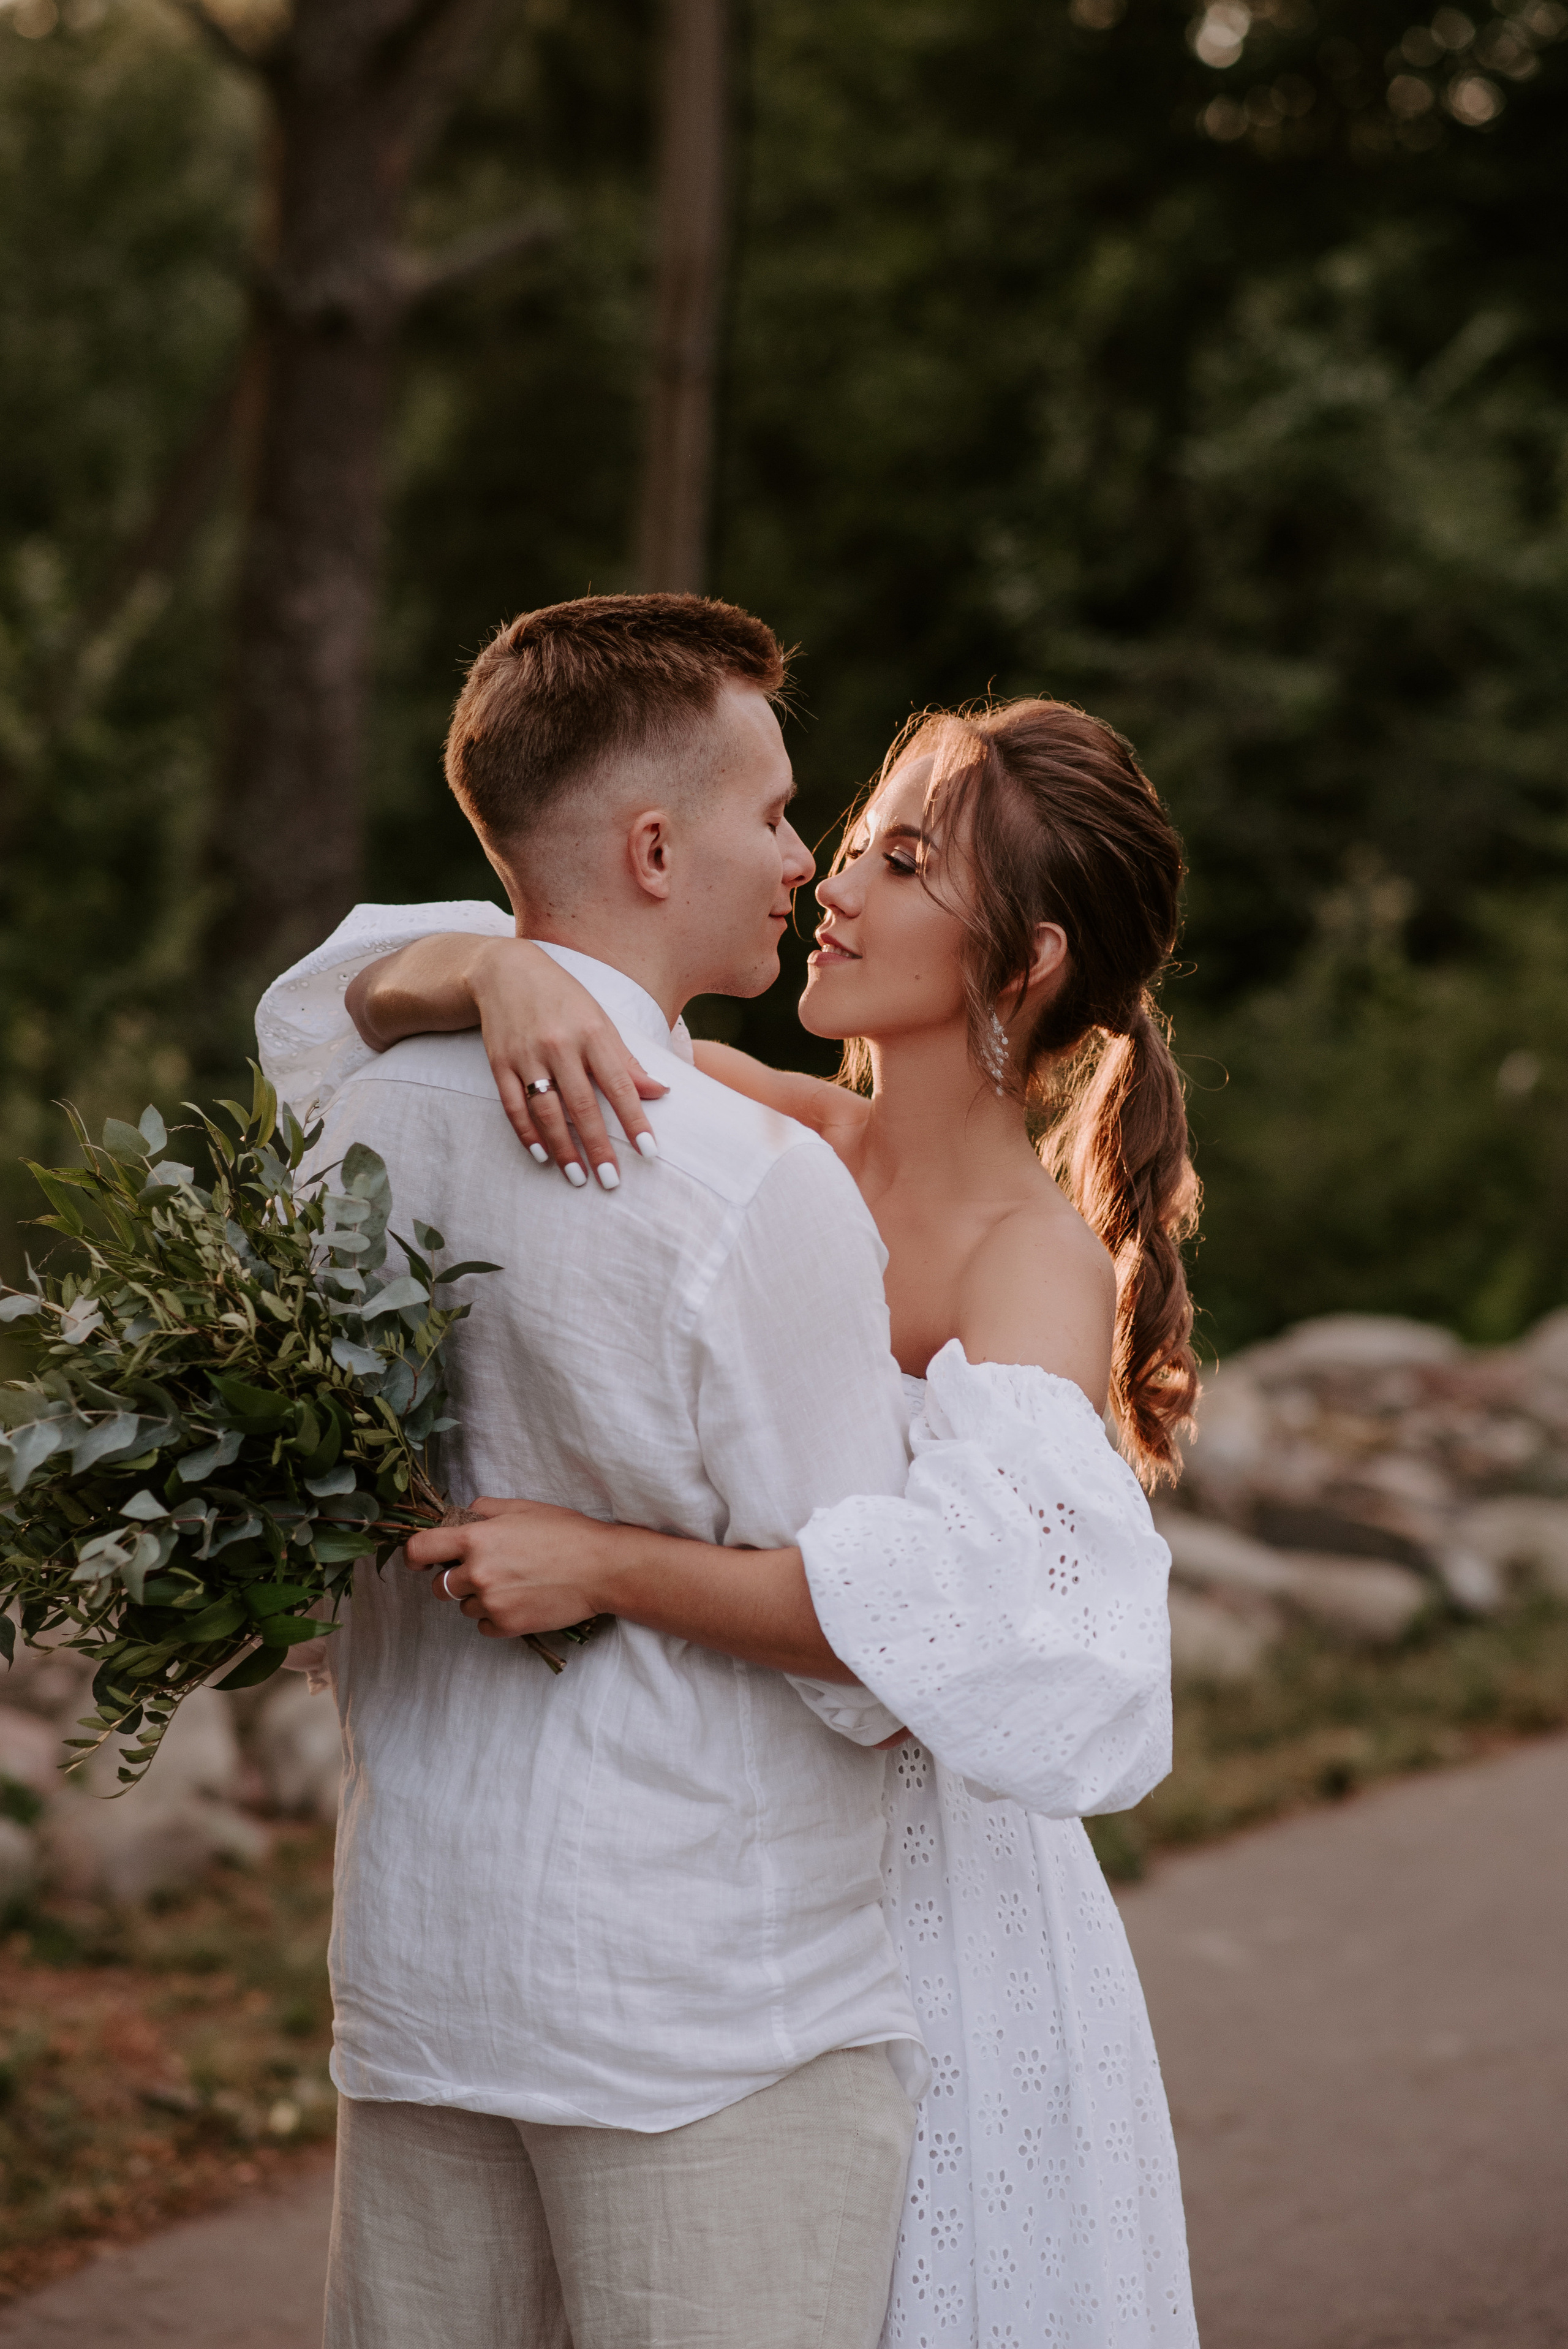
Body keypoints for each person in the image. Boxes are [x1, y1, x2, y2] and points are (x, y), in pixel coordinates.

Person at [287, 686, 1203, 2346]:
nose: (834, 883)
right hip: (708, 1859)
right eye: (849, 839)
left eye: (903, 861)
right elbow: (352, 1003)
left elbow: (979, 1622)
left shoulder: (1031, 1264)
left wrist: (609, 1564)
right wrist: (500, 968)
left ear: (1031, 957)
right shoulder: (754, 1118)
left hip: (927, 1905)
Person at [258, 593, 937, 2349]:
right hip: (703, 1998)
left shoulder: (352, 1119)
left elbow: (319, 1000)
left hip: (430, 1952)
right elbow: (868, 1636)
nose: (802, 855)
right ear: (652, 842)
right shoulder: (742, 1185)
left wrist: (490, 963)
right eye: (774, 809)